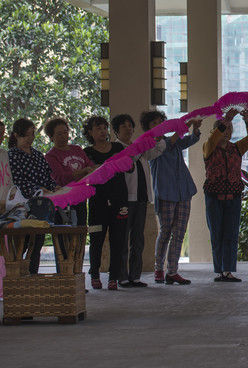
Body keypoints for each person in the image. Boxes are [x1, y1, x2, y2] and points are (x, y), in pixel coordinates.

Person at [142, 110, 202, 286]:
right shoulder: (149, 144)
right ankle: (159, 268)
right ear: (148, 127)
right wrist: (185, 127)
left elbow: (190, 140)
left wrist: (196, 130)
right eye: (155, 123)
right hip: (166, 192)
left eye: (161, 122)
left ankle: (173, 271)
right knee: (166, 231)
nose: (159, 125)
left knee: (179, 232)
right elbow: (168, 144)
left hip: (184, 190)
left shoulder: (173, 141)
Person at [204, 108, 248, 283]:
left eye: (228, 129)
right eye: (222, 128)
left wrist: (247, 120)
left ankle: (228, 270)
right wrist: (225, 120)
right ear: (215, 131)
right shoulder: (208, 147)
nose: (226, 132)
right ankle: (219, 270)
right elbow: (212, 140)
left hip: (233, 197)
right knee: (216, 234)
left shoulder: (237, 148)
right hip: (214, 197)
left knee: (231, 234)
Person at [114, 113, 162, 288]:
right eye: (124, 126)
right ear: (116, 131)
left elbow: (156, 152)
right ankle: (122, 276)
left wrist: (158, 138)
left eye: (130, 126)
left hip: (142, 197)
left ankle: (135, 275)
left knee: (138, 239)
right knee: (123, 238)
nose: (128, 129)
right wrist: (138, 150)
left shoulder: (138, 147)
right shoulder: (117, 149)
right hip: (126, 199)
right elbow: (126, 166)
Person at [82, 115, 129, 290]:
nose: (102, 131)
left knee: (118, 240)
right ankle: (94, 274)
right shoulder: (86, 152)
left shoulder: (117, 147)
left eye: (104, 128)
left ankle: (113, 277)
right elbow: (85, 176)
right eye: (98, 128)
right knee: (96, 240)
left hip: (119, 201)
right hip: (97, 203)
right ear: (90, 132)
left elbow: (128, 166)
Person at [8, 118, 57, 274]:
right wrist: (39, 189)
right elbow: (17, 181)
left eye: (32, 134)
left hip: (41, 205)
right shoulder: (12, 155)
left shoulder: (37, 154)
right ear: (16, 135)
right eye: (26, 135)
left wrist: (54, 187)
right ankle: (16, 274)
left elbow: (47, 177)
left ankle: (32, 274)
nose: (30, 139)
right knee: (22, 242)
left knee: (38, 240)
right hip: (21, 206)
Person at [44, 117, 93, 226]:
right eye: (59, 134)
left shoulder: (77, 149)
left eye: (65, 132)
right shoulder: (51, 156)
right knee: (64, 232)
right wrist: (83, 171)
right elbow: (61, 177)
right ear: (51, 137)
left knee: (81, 229)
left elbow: (90, 166)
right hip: (63, 200)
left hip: (80, 197)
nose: (63, 136)